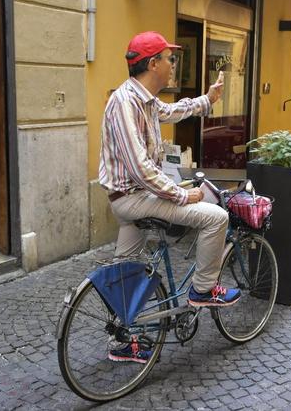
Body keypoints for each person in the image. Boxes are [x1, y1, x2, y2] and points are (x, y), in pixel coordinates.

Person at [99, 31, 241, 315]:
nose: (173, 64)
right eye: (169, 58)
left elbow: (173, 110)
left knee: (124, 270)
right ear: (153, 64)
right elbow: (140, 168)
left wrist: (208, 99)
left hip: (129, 198)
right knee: (217, 217)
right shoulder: (125, 102)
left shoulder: (145, 100)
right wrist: (181, 194)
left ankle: (122, 338)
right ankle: (204, 289)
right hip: (134, 198)